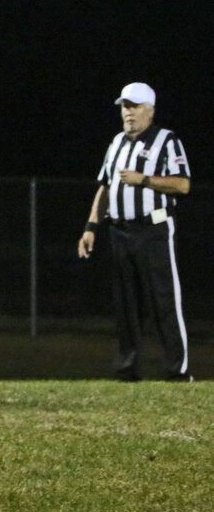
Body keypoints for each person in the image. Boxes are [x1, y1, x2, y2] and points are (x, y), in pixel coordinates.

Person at [78, 82, 192, 382]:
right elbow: (105, 186)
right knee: (125, 305)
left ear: (150, 110)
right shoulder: (116, 143)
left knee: (164, 302)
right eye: (124, 106)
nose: (128, 112)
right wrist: (91, 226)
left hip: (153, 230)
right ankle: (127, 370)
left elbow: (183, 184)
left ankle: (177, 371)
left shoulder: (166, 141)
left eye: (135, 106)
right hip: (119, 232)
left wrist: (144, 180)